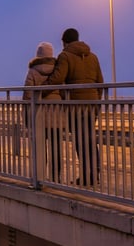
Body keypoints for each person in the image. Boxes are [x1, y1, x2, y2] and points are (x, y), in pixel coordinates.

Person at [45, 28, 104, 186]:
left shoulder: (65, 56)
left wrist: (42, 90)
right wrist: (97, 102)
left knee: (80, 140)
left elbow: (58, 78)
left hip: (75, 105)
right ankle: (94, 174)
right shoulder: (93, 57)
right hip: (92, 105)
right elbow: (100, 83)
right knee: (90, 139)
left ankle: (86, 176)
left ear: (65, 41)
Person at [22, 42, 62, 181]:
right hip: (56, 114)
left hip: (39, 115)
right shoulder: (58, 70)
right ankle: (56, 177)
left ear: (38, 54)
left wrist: (27, 115)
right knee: (56, 147)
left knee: (39, 147)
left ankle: (40, 176)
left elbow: (27, 94)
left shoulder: (33, 71)